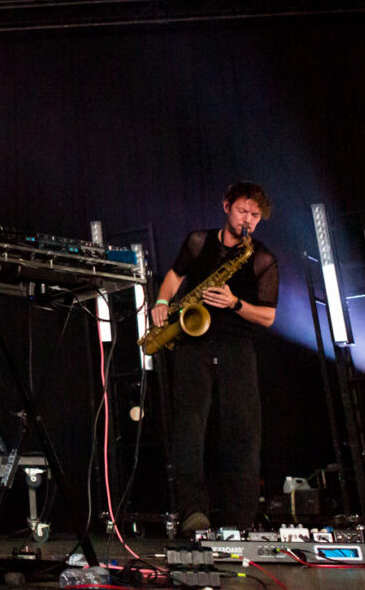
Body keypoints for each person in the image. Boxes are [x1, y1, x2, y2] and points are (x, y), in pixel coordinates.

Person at [150, 182, 278, 535]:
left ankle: (240, 518)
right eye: (242, 211)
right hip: (194, 344)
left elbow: (268, 317)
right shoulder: (198, 241)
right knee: (189, 430)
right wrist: (161, 302)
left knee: (242, 432)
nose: (248, 220)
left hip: (237, 347)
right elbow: (175, 275)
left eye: (255, 215)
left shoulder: (263, 258)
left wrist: (235, 303)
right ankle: (193, 511)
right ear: (226, 206)